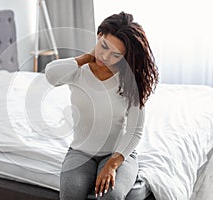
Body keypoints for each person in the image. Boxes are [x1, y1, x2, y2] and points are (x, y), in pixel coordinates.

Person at [44, 11, 159, 200]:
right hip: (80, 152)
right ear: (98, 36)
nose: (105, 56)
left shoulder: (130, 81)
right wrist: (86, 58)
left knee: (111, 196)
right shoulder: (77, 71)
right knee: (70, 192)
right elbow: (51, 75)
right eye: (103, 46)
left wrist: (112, 165)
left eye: (115, 54)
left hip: (119, 154)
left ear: (124, 57)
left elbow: (135, 131)